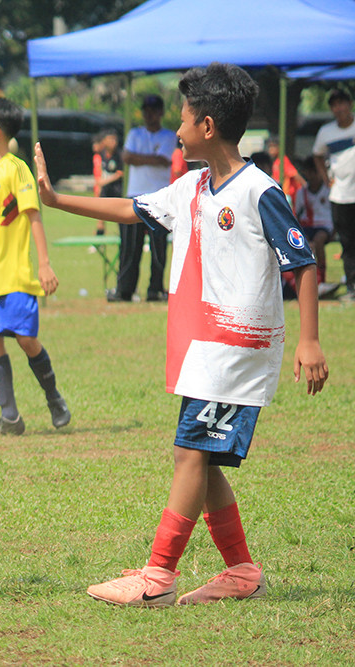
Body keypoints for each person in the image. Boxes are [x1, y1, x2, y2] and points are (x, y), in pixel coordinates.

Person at [34, 63, 328, 607]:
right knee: (201, 456)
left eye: (185, 117)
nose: (176, 128)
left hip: (240, 348)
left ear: (208, 126)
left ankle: (158, 577)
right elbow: (130, 208)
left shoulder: (259, 191)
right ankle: (241, 571)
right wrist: (55, 201)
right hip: (207, 348)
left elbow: (303, 261)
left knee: (188, 453)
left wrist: (309, 341)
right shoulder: (192, 185)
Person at [0, 98, 70, 438]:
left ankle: (53, 397)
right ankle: (9, 417)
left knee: (25, 338)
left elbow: (32, 215)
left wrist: (45, 264)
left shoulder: (16, 168)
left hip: (13, 274)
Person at [110, 94, 179, 303]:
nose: (149, 115)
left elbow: (164, 160)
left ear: (160, 113)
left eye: (153, 110)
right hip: (135, 195)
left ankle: (155, 288)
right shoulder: (134, 133)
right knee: (130, 246)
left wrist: (140, 158)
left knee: (158, 247)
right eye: (146, 110)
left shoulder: (168, 136)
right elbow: (127, 158)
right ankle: (125, 289)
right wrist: (151, 158)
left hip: (159, 196)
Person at [312, 88, 355, 302]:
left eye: (342, 103)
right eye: (334, 105)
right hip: (340, 195)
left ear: (350, 104)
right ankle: (351, 287)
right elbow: (317, 155)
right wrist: (325, 176)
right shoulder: (326, 132)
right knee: (347, 242)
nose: (339, 108)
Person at [294, 156, 338, 297]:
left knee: (318, 241)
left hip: (324, 226)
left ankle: (322, 279)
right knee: (305, 244)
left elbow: (335, 212)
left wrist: (334, 230)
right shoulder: (302, 193)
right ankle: (309, 280)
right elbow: (297, 214)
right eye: (308, 172)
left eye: (313, 172)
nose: (310, 176)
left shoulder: (328, 190)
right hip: (307, 226)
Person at [92, 129, 123, 236]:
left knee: (121, 217)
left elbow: (120, 173)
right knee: (100, 218)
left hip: (117, 191)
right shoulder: (102, 155)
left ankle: (123, 237)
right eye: (110, 139)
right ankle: (98, 242)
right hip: (105, 191)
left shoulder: (119, 155)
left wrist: (106, 181)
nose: (113, 142)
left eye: (115, 139)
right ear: (104, 141)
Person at [267, 135, 304, 203]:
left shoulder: (283, 160)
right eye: (269, 147)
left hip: (288, 195)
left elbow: (295, 174)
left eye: (273, 146)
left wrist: (306, 187)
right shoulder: (276, 162)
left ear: (278, 147)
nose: (270, 149)